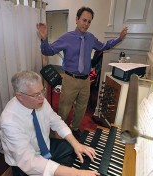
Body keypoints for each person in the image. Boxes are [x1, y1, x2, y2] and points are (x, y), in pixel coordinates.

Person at [36, 6, 128, 137]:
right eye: (84, 20)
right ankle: (57, 133)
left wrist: (119, 38)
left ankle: (75, 128)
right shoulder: (67, 38)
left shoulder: (90, 38)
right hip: (70, 79)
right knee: (64, 108)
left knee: (81, 107)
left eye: (89, 21)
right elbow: (48, 51)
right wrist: (44, 39)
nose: (86, 24)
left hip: (85, 80)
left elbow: (103, 46)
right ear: (76, 19)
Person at [0, 70, 100, 176]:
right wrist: (76, 174)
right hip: (26, 165)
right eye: (36, 94)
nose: (42, 97)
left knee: (73, 149)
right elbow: (29, 162)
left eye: (42, 91)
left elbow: (56, 121)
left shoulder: (39, 100)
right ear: (19, 96)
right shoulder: (9, 121)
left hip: (46, 148)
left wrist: (76, 144)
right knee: (70, 172)